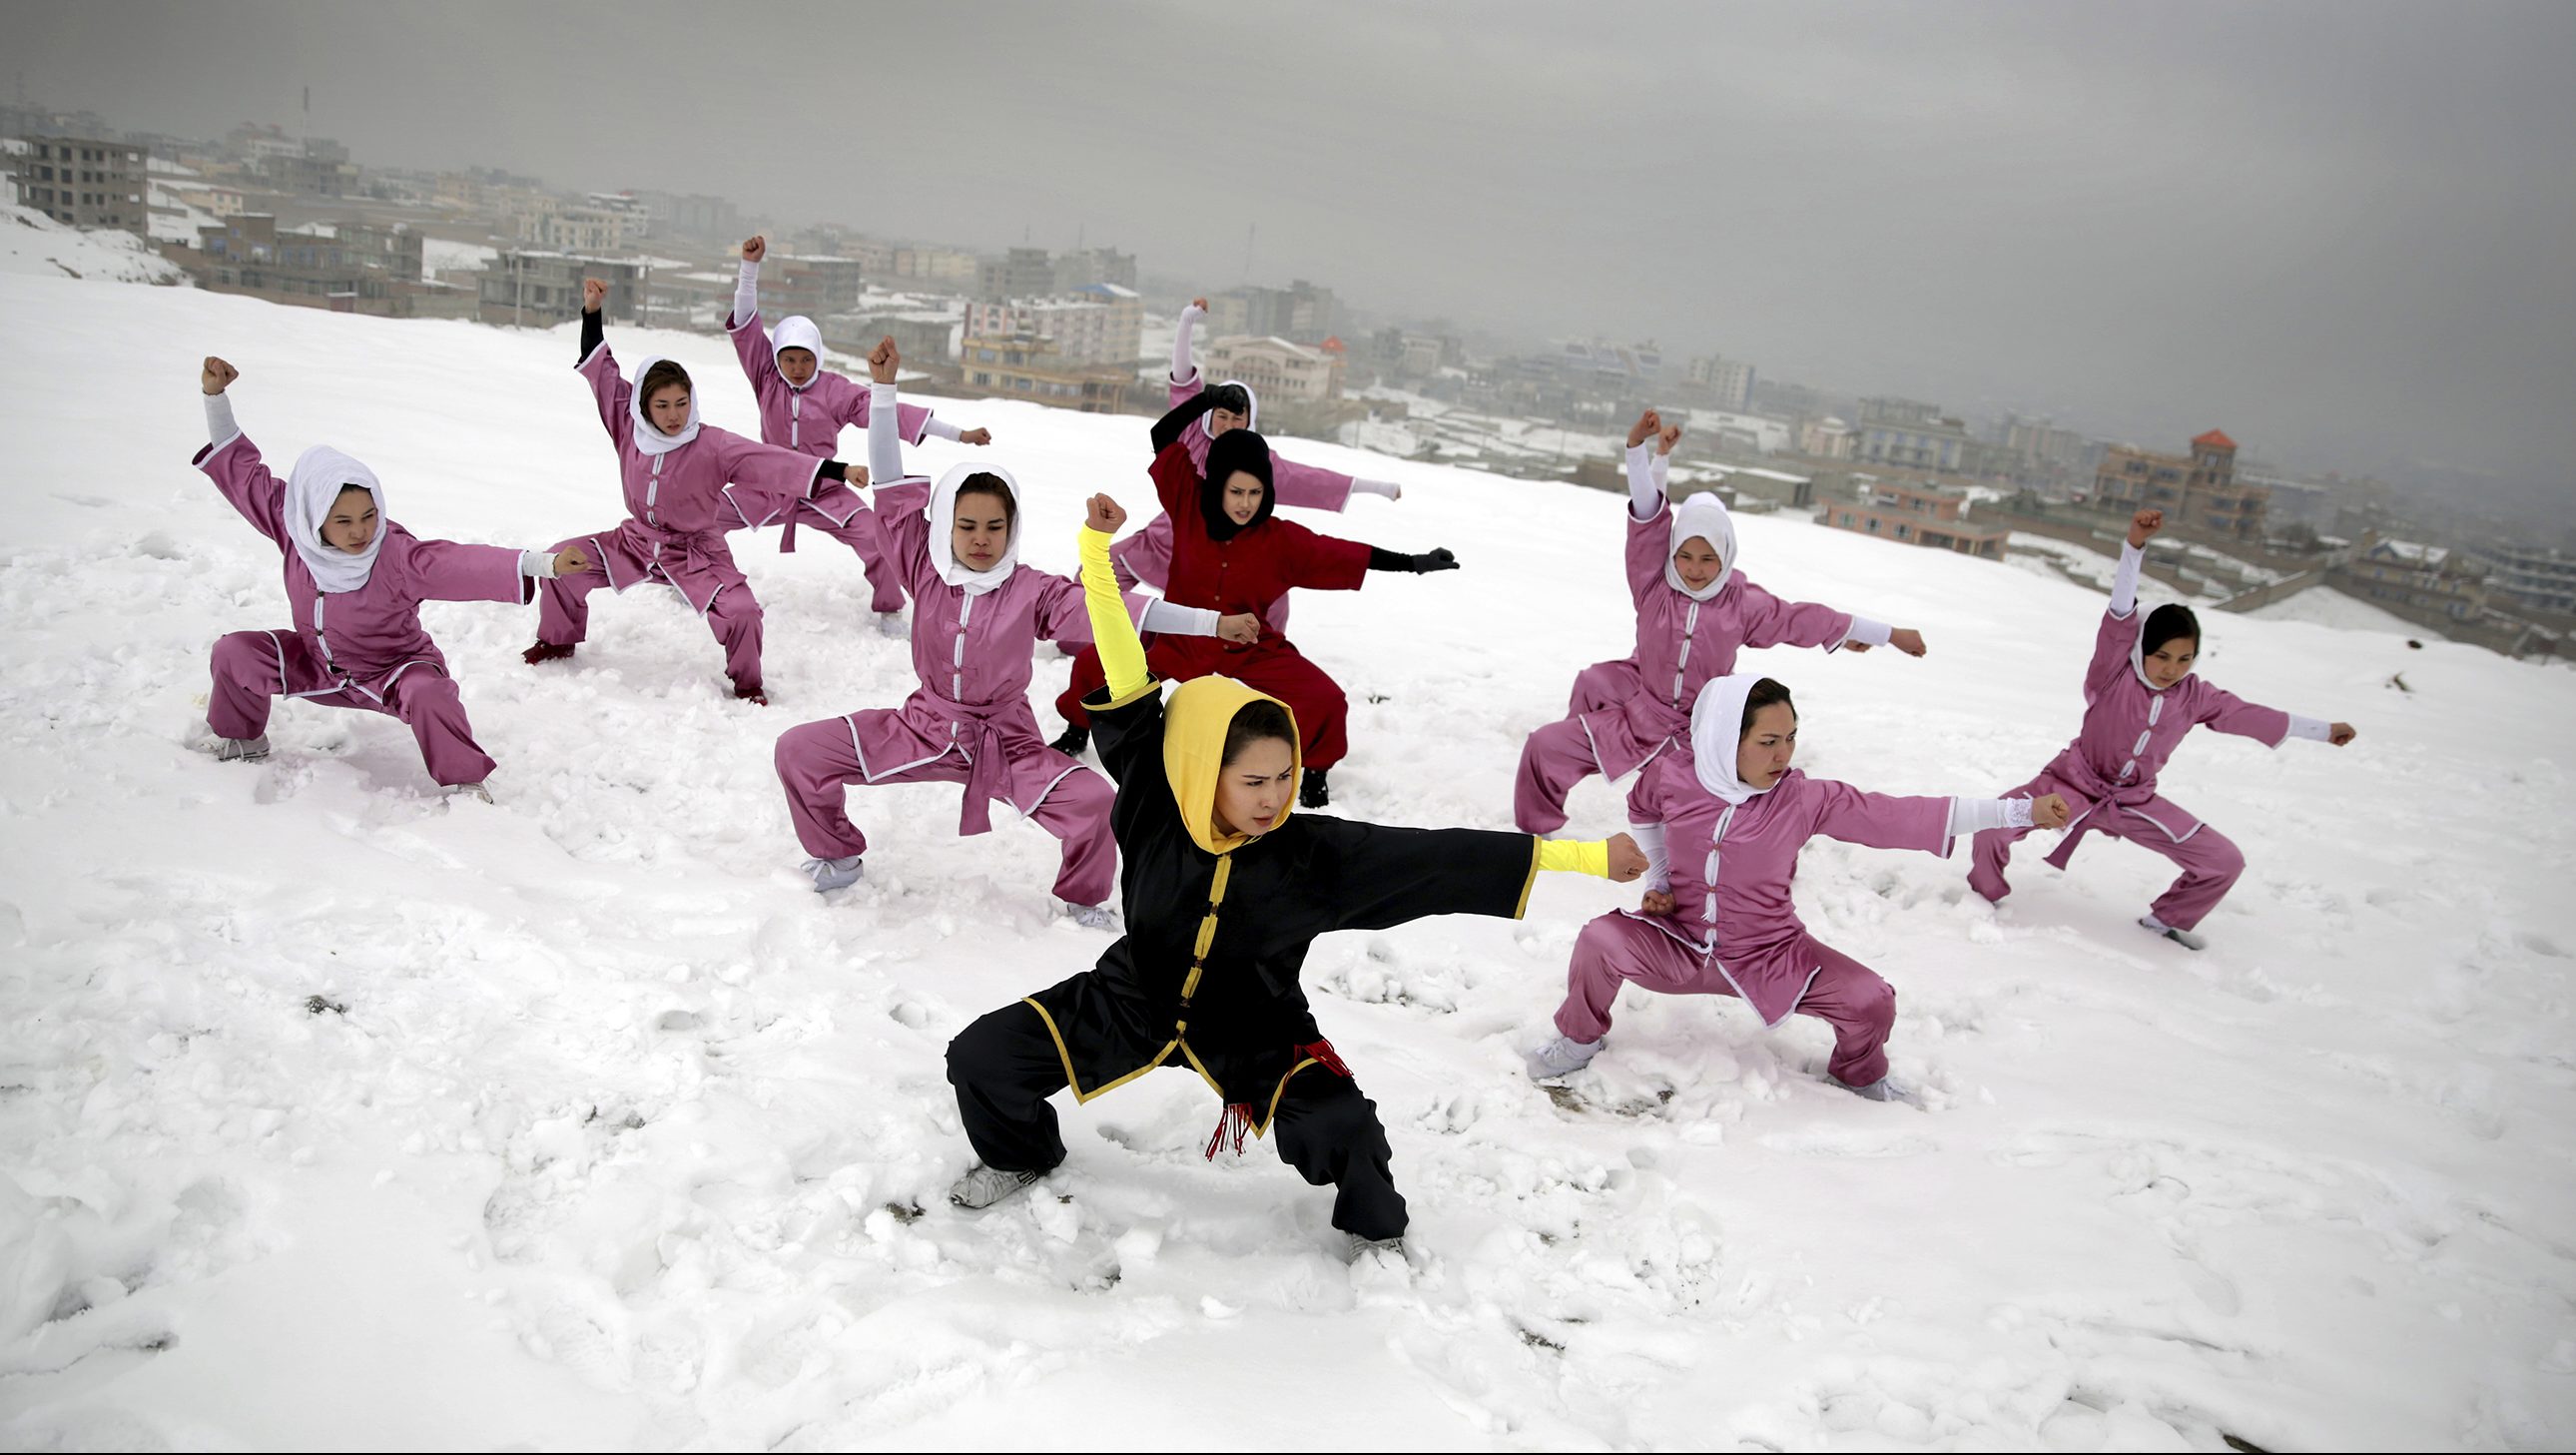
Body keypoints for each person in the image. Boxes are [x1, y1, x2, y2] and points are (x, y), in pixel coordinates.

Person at [943, 491, 1646, 1258]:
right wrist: (1095, 554)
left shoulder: (1310, 855)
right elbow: (1121, 656)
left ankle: (1378, 1238)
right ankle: (1023, 1153)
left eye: (1285, 776)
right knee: (981, 1057)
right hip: (1126, 1000)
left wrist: (1585, 855)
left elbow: (1444, 860)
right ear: (1205, 770)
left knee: (1343, 1127)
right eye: (1253, 781)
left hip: (1256, 1027)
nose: (1274, 797)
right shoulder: (1155, 793)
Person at [1527, 673, 2072, 1103]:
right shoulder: (1675, 773)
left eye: (1789, 738)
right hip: (1679, 945)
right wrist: (1660, 879)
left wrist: (2020, 809)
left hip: (1773, 956)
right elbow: (1643, 809)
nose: (1783, 754)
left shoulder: (1802, 798)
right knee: (1601, 939)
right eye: (1767, 741)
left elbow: (1901, 814)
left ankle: (1858, 1074)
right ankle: (1579, 1037)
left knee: (1871, 1001)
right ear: (1724, 739)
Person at [771, 340, 1126, 923]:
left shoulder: (1032, 589)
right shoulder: (922, 566)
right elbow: (887, 487)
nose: (980, 538)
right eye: (967, 525)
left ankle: (1083, 902)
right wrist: (882, 394)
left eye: (994, 526)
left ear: (1012, 530)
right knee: (799, 751)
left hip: (1007, 743)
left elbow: (1111, 617)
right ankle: (837, 859)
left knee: (1095, 802)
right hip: (922, 726)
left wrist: (1201, 619)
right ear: (947, 527)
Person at [1515, 409, 1930, 835]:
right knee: (1546, 744)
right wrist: (1639, 450)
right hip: (1639, 722)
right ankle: (1536, 834)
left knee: (1723, 817)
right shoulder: (1653, 584)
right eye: (1686, 557)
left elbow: (1803, 619)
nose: (1695, 570)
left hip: (1701, 739)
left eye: (1709, 558)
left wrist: (1887, 634)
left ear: (1726, 555)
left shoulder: (1743, 604)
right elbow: (1647, 518)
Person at [191, 356, 583, 799]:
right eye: (343, 521)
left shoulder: (396, 555)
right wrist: (215, 397)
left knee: (430, 693)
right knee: (236, 652)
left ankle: (464, 781)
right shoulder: (292, 527)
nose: (360, 531)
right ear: (313, 518)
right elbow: (244, 476)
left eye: (369, 515)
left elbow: (463, 564)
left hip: (394, 672)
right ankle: (241, 737)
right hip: (317, 664)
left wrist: (543, 564)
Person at [1047, 389, 1462, 808]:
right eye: (1236, 492)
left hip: (1248, 645)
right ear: (1218, 486)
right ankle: (1077, 729)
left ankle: (1315, 772)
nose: (1245, 504)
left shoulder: (1280, 540)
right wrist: (1206, 398)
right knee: (1093, 663)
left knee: (1325, 698)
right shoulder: (1188, 504)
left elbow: (1344, 551)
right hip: (1180, 640)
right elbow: (1163, 435)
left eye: (1255, 493)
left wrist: (1414, 562)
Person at [1969, 508, 2356, 949]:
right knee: (1990, 827)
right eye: (2163, 656)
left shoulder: (2196, 696)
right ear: (2141, 650)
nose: (2173, 669)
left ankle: (2166, 920)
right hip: (2067, 786)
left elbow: (2253, 715)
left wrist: (2324, 730)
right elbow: (2119, 612)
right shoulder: (2112, 673)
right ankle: (1984, 896)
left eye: (2185, 658)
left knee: (2223, 860)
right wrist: (2134, 545)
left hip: (2133, 801)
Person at [1046, 296, 1402, 756]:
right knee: (1106, 588)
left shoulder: (1262, 466)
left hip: (1244, 579)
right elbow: (1178, 390)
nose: (1230, 422)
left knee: (1268, 626)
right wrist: (1186, 322)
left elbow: (1317, 484)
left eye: (1241, 418)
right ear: (1210, 413)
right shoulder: (1192, 435)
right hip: (1172, 554)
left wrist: (1375, 487)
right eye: (1224, 414)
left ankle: (1286, 726)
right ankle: (1078, 672)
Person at [522, 277, 866, 704]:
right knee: (560, 562)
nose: (673, 415)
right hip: (634, 541)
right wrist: (592, 312)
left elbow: (774, 462)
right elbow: (603, 372)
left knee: (742, 613)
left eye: (681, 404)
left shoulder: (713, 444)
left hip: (697, 551)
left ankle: (747, 684)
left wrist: (837, 470)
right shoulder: (628, 425)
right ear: (644, 406)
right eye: (662, 406)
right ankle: (557, 640)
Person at [723, 234, 990, 636]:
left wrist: (959, 434)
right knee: (699, 517)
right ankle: (696, 580)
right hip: (766, 487)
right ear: (776, 358)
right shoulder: (765, 377)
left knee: (877, 538)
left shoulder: (834, 391)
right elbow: (745, 325)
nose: (797, 367)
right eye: (789, 359)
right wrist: (750, 267)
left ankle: (889, 611)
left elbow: (890, 413)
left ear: (819, 357)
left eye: (805, 359)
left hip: (824, 491)